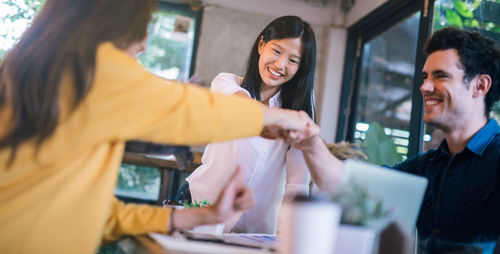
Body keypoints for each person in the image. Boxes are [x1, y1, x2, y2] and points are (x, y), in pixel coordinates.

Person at [0, 1, 312, 253]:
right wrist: (281, 119)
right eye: (143, 25)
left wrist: (202, 215)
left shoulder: (43, 73)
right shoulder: (94, 69)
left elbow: (95, 214)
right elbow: (186, 109)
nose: (145, 44)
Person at [293, 27, 500, 251]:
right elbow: (344, 184)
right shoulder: (425, 167)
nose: (425, 86)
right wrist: (309, 140)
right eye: (425, 77)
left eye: (440, 76)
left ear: (480, 85)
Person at [181, 15, 316, 234]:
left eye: (293, 60)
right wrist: (287, 119)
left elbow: (297, 183)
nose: (280, 65)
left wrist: (288, 235)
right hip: (200, 207)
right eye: (277, 51)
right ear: (261, 45)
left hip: (255, 229)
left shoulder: (300, 109)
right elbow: (246, 110)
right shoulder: (226, 83)